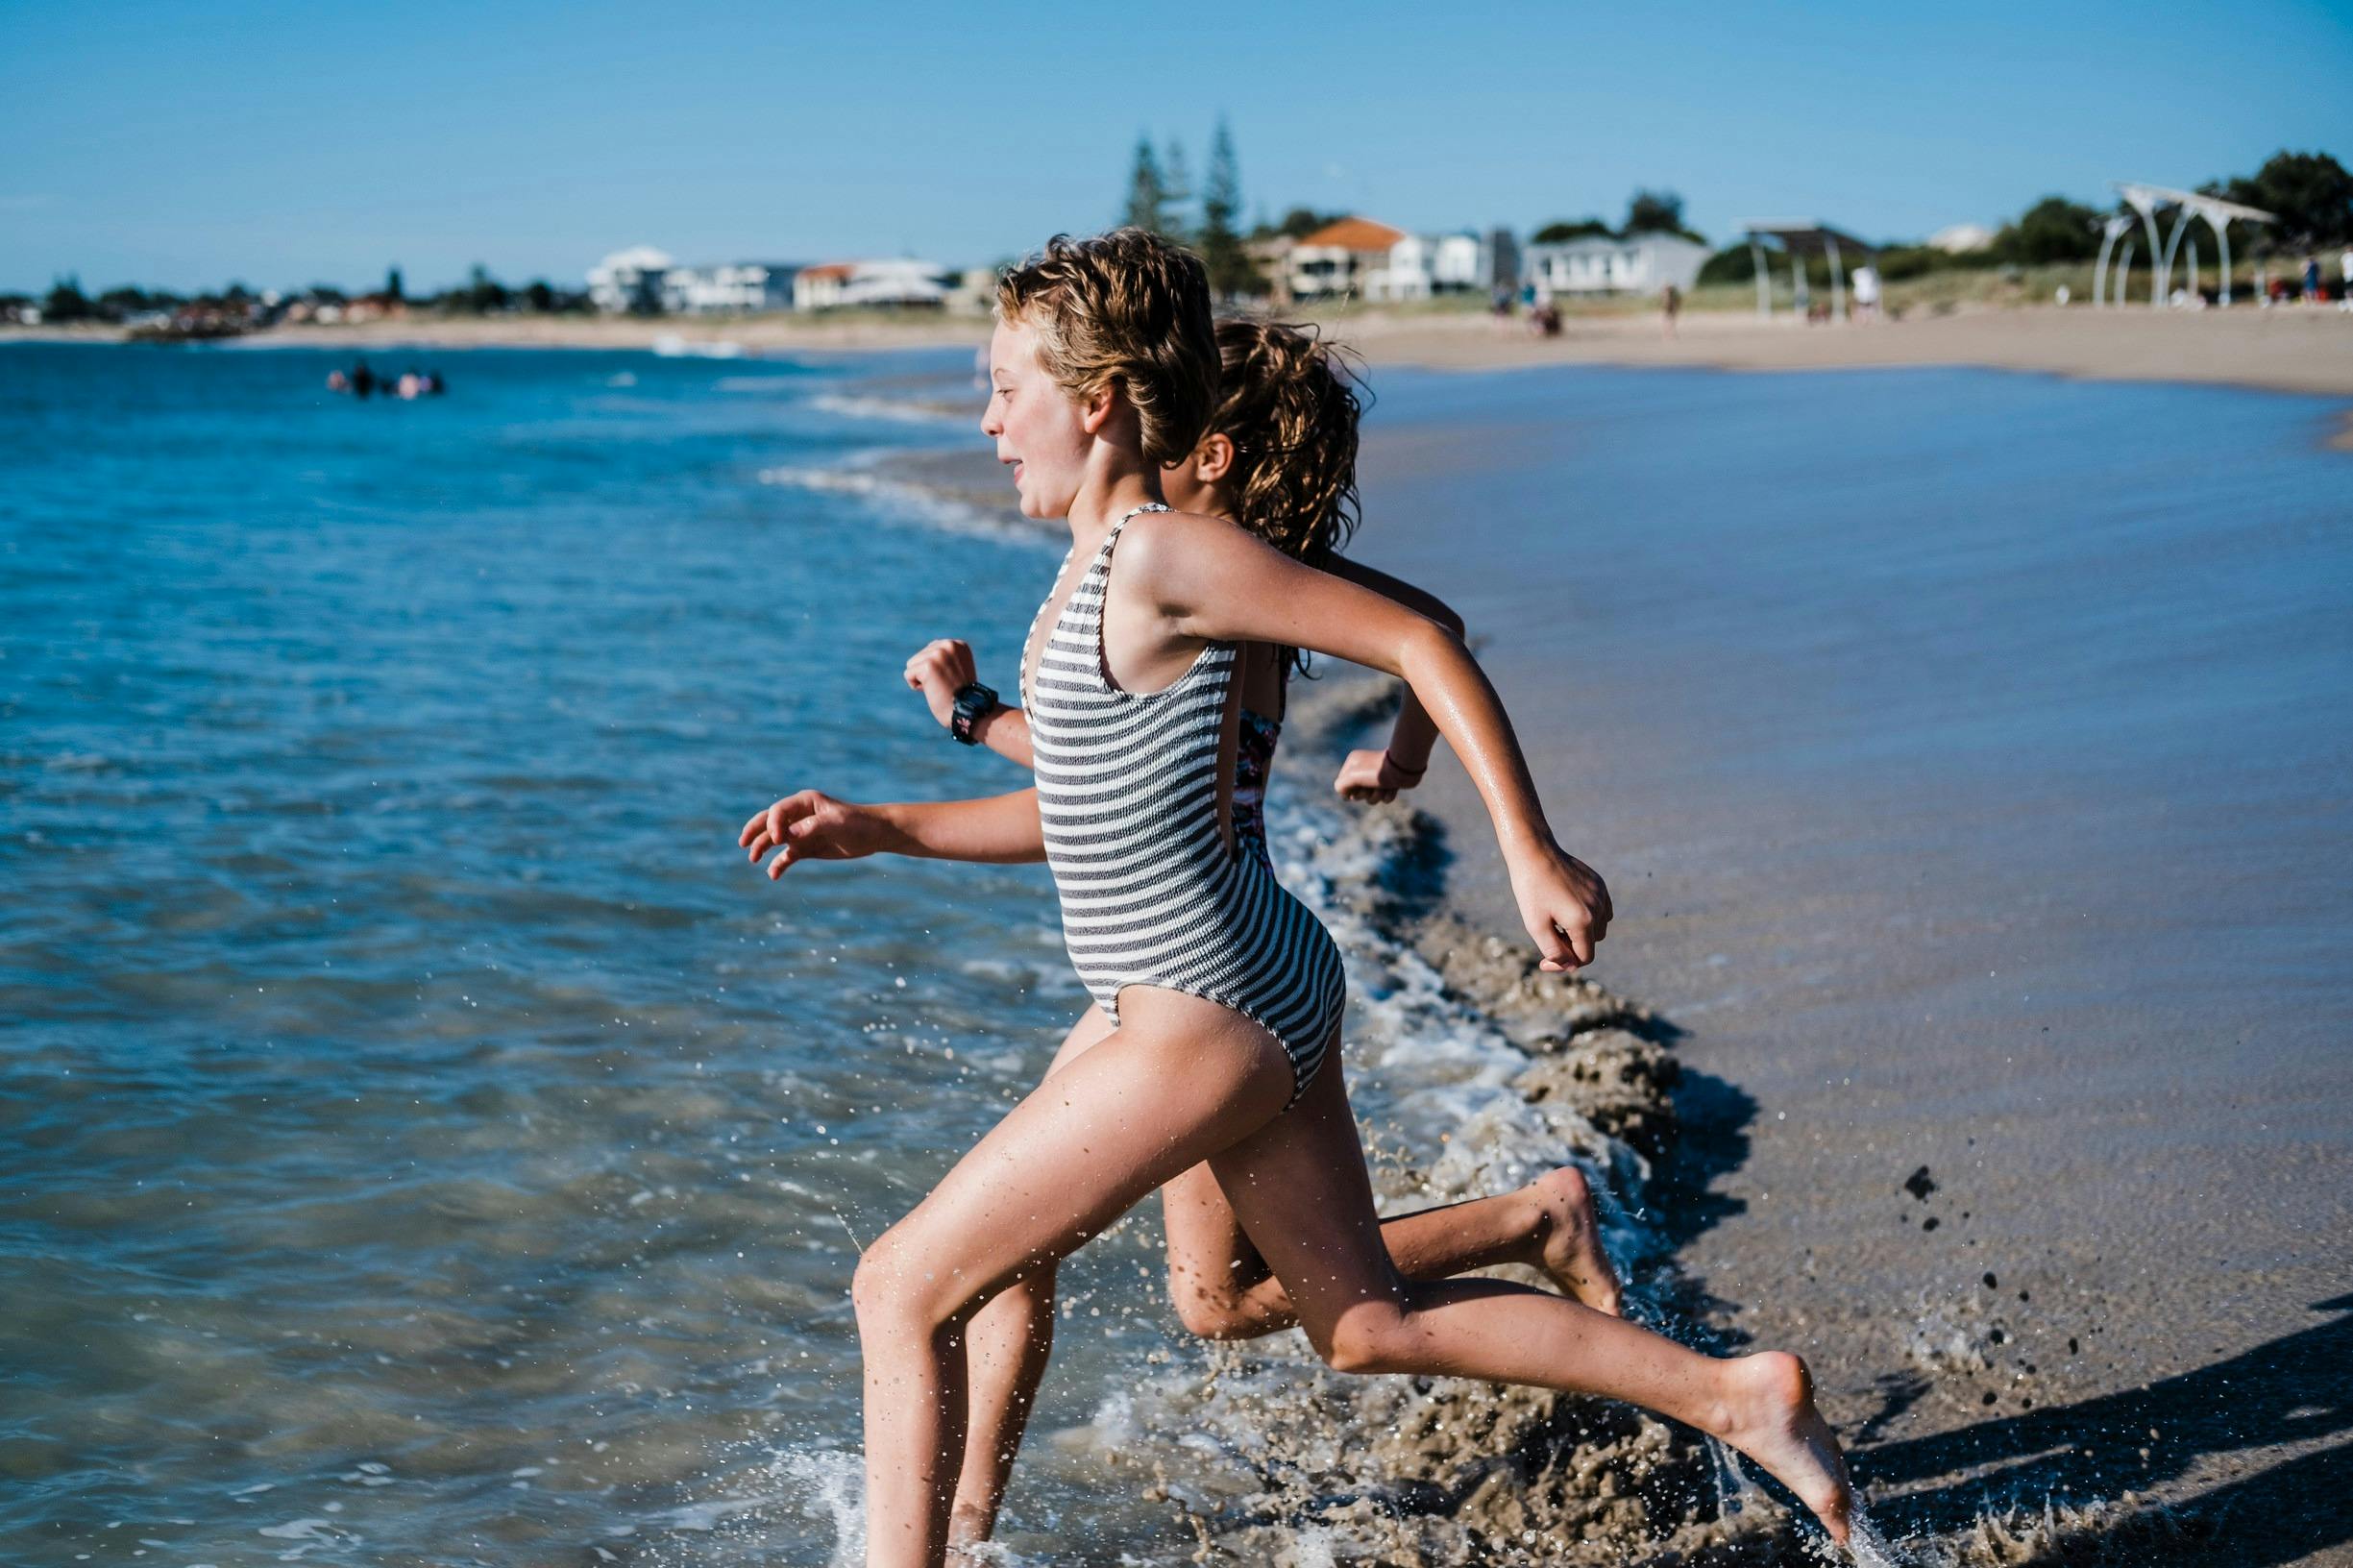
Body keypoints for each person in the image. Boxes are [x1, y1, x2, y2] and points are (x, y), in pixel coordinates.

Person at [738, 229, 1854, 1567]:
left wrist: (1527, 850)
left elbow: (1417, 635)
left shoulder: (1166, 556)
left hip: (1198, 1011)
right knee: (1356, 1320)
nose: (983, 423)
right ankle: (1734, 1393)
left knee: (897, 1285)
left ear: (1093, 401)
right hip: (1228, 984)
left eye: (1002, 389)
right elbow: (1093, 805)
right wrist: (889, 824)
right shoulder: (1100, 571)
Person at [897, 319, 1625, 1554]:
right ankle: (1528, 1223)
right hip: (1206, 971)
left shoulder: (1201, 571)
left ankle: (958, 1528)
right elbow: (1421, 627)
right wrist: (1398, 760)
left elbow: (1422, 637)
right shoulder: (1241, 585)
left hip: (1205, 980)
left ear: (1211, 454)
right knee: (1218, 1301)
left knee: (1005, 1268)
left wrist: (968, 721)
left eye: (1166, 429)